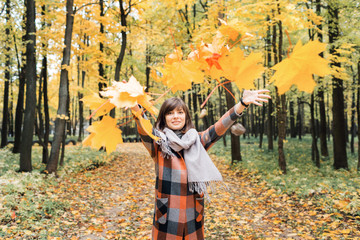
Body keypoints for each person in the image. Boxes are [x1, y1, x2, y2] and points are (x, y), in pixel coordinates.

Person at [132, 89, 270, 240]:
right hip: (167, 216)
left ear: (186, 116)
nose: (176, 116)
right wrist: (134, 106)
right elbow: (143, 128)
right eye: (170, 113)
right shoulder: (158, 143)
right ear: (164, 118)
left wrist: (241, 104)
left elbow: (219, 127)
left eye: (180, 112)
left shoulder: (197, 140)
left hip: (193, 215)